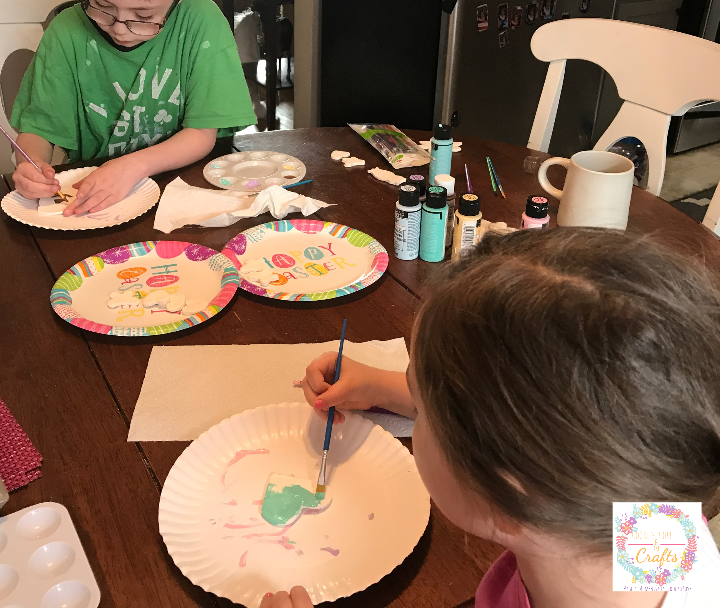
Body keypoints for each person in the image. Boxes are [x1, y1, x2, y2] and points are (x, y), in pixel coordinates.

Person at [265, 229, 720, 608]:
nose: (420, 410)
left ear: (508, 488)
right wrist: (383, 388)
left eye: (425, 407)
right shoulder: (656, 515)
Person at [11, 0, 256, 216]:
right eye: (101, 5)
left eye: (143, 17)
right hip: (97, 201)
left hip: (183, 190)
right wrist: (31, 164)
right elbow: (39, 130)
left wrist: (131, 166)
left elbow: (201, 133)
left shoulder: (201, 22)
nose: (119, 28)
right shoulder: (67, 33)